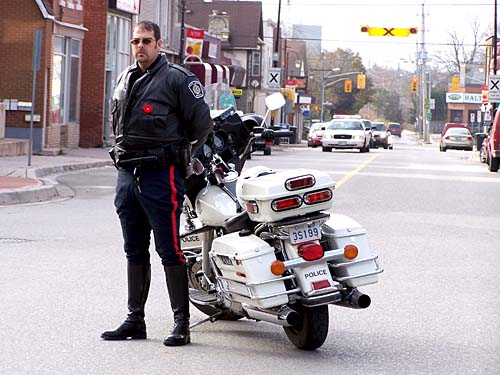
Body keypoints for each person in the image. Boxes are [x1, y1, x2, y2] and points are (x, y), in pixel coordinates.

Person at [101, 20, 213, 346]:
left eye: (146, 41)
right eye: (136, 41)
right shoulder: (124, 78)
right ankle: (135, 320)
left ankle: (182, 324)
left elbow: (201, 126)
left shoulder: (177, 79)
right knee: (134, 249)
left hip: (161, 174)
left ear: (159, 44)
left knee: (169, 250)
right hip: (127, 174)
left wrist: (181, 156)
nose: (140, 46)